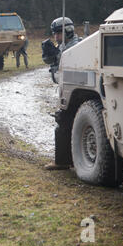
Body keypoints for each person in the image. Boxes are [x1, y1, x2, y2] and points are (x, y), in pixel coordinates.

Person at [42, 17, 81, 171]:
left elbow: (69, 71)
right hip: (71, 93)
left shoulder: (75, 47)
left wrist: (57, 57)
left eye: (59, 33)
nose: (56, 37)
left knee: (63, 123)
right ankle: (72, 160)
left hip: (75, 94)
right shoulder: (64, 46)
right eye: (55, 34)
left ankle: (63, 161)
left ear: (68, 31)